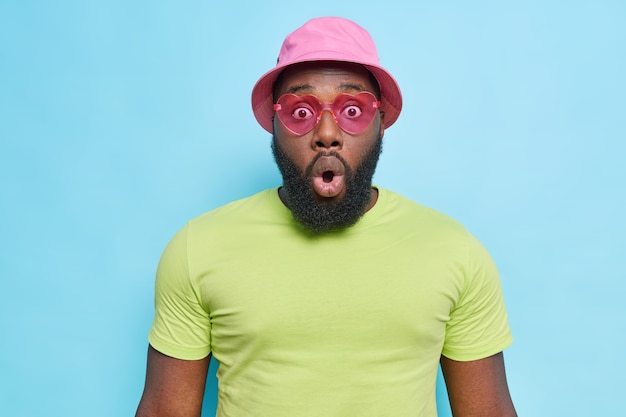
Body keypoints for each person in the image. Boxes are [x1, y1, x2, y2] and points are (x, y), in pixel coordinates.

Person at [136, 16, 517, 417]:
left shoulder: (454, 251)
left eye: (353, 109)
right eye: (301, 111)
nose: (328, 132)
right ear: (273, 125)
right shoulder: (199, 248)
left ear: (381, 124)